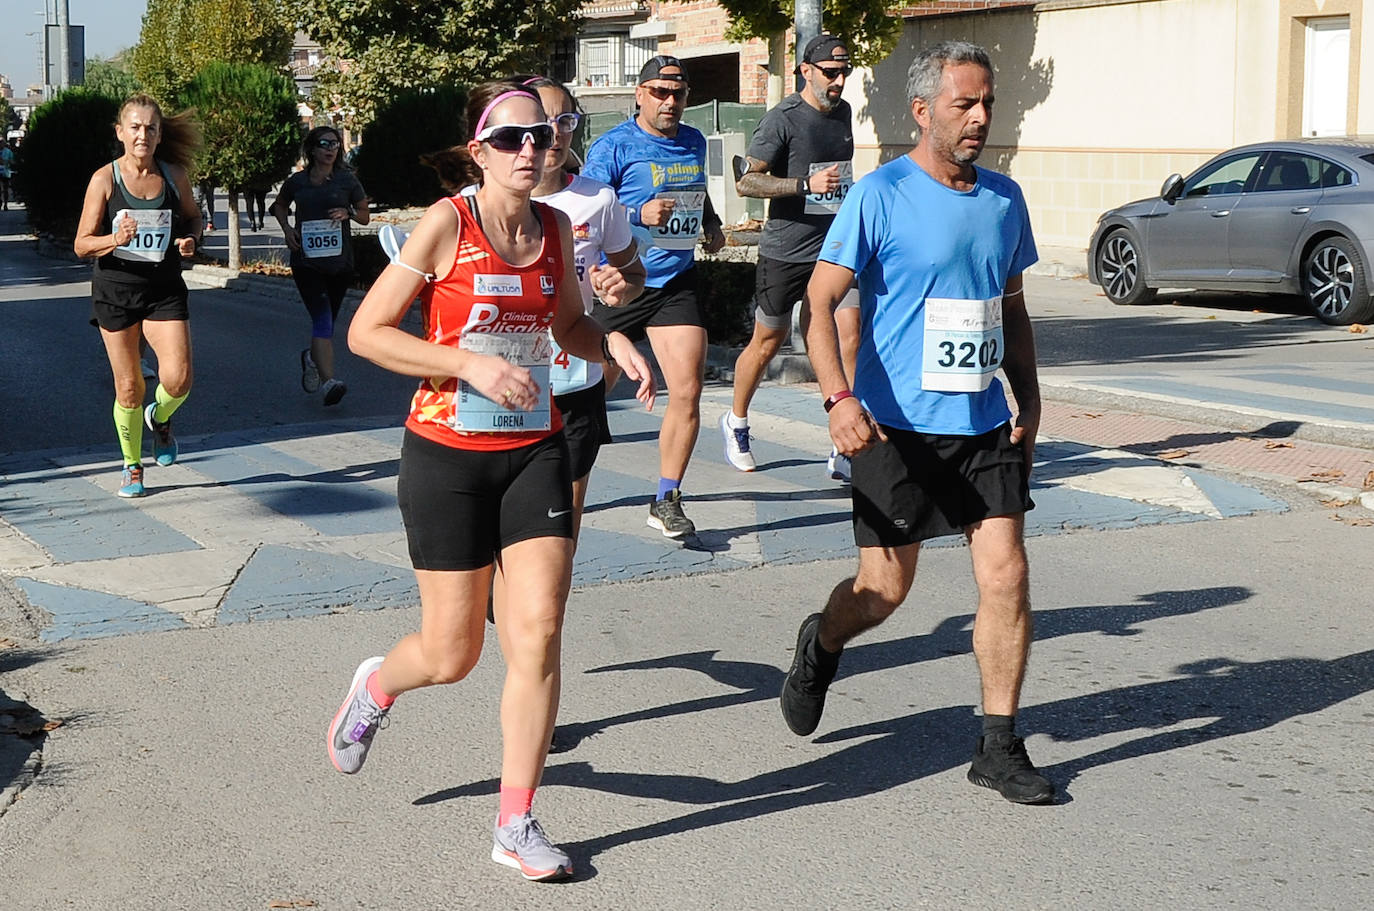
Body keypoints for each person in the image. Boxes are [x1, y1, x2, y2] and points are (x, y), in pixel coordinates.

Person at [330, 81, 655, 882]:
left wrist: (614, 343)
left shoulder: (555, 228)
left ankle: (516, 820)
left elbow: (566, 323)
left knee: (539, 629)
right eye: (511, 139)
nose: (529, 151)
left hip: (534, 446)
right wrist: (467, 361)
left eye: (542, 138)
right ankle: (376, 684)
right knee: (453, 652)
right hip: (445, 451)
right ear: (478, 151)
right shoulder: (450, 224)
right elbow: (367, 332)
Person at [779, 41, 1054, 805]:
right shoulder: (880, 194)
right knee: (883, 591)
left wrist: (1028, 398)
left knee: (1007, 575)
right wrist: (839, 399)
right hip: (894, 427)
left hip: (982, 424)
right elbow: (820, 304)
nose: (980, 118)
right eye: (964, 104)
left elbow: (1013, 306)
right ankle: (822, 641)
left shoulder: (1004, 199)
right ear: (924, 110)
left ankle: (997, 744)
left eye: (988, 103)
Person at [582, 55, 727, 539]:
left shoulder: (694, 140)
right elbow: (585, 209)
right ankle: (553, 473)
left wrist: (710, 222)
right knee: (585, 392)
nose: (670, 102)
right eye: (660, 92)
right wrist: (637, 213)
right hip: (621, 280)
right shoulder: (614, 146)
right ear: (640, 94)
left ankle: (667, 496)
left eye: (678, 93)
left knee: (687, 390)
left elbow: (696, 191)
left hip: (675, 283)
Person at [726, 34, 862, 482]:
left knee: (851, 333)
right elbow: (747, 182)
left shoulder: (842, 113)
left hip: (834, 248)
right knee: (768, 342)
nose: (839, 81)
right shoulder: (781, 120)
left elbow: (839, 179)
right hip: (786, 250)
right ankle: (737, 421)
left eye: (844, 72)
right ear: (807, 71)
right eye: (830, 73)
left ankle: (845, 440)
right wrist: (804, 185)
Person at [520, 75, 645, 545]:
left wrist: (620, 287)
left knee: (562, 523)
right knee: (508, 510)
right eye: (540, 122)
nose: (553, 133)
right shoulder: (477, 204)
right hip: (506, 384)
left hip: (575, 378)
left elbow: (633, 277)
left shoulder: (598, 199)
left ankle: (545, 605)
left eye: (565, 121)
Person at [73, 94, 202, 498]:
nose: (142, 134)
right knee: (128, 386)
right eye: (134, 127)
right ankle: (132, 466)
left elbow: (194, 217)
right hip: (116, 292)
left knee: (178, 379)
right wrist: (115, 238)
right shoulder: (104, 179)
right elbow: (81, 244)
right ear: (120, 132)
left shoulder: (173, 176)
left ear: (160, 134)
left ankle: (159, 419)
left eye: (150, 128)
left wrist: (190, 240)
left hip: (163, 289)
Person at [270, 126, 370, 406]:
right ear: (312, 149)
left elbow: (365, 216)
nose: (330, 149)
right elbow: (279, 205)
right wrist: (287, 229)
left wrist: (347, 212)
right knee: (322, 320)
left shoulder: (347, 181)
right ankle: (329, 383)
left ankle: (312, 358)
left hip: (340, 264)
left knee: (326, 324)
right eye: (324, 144)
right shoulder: (297, 182)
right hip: (306, 263)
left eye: (335, 144)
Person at [0, 138, 14, 211]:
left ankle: (5, 204)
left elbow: (12, 161)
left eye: (2, 143)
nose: (1, 144)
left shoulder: (8, 152)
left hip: (6, 172)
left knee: (5, 189)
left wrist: (8, 162)